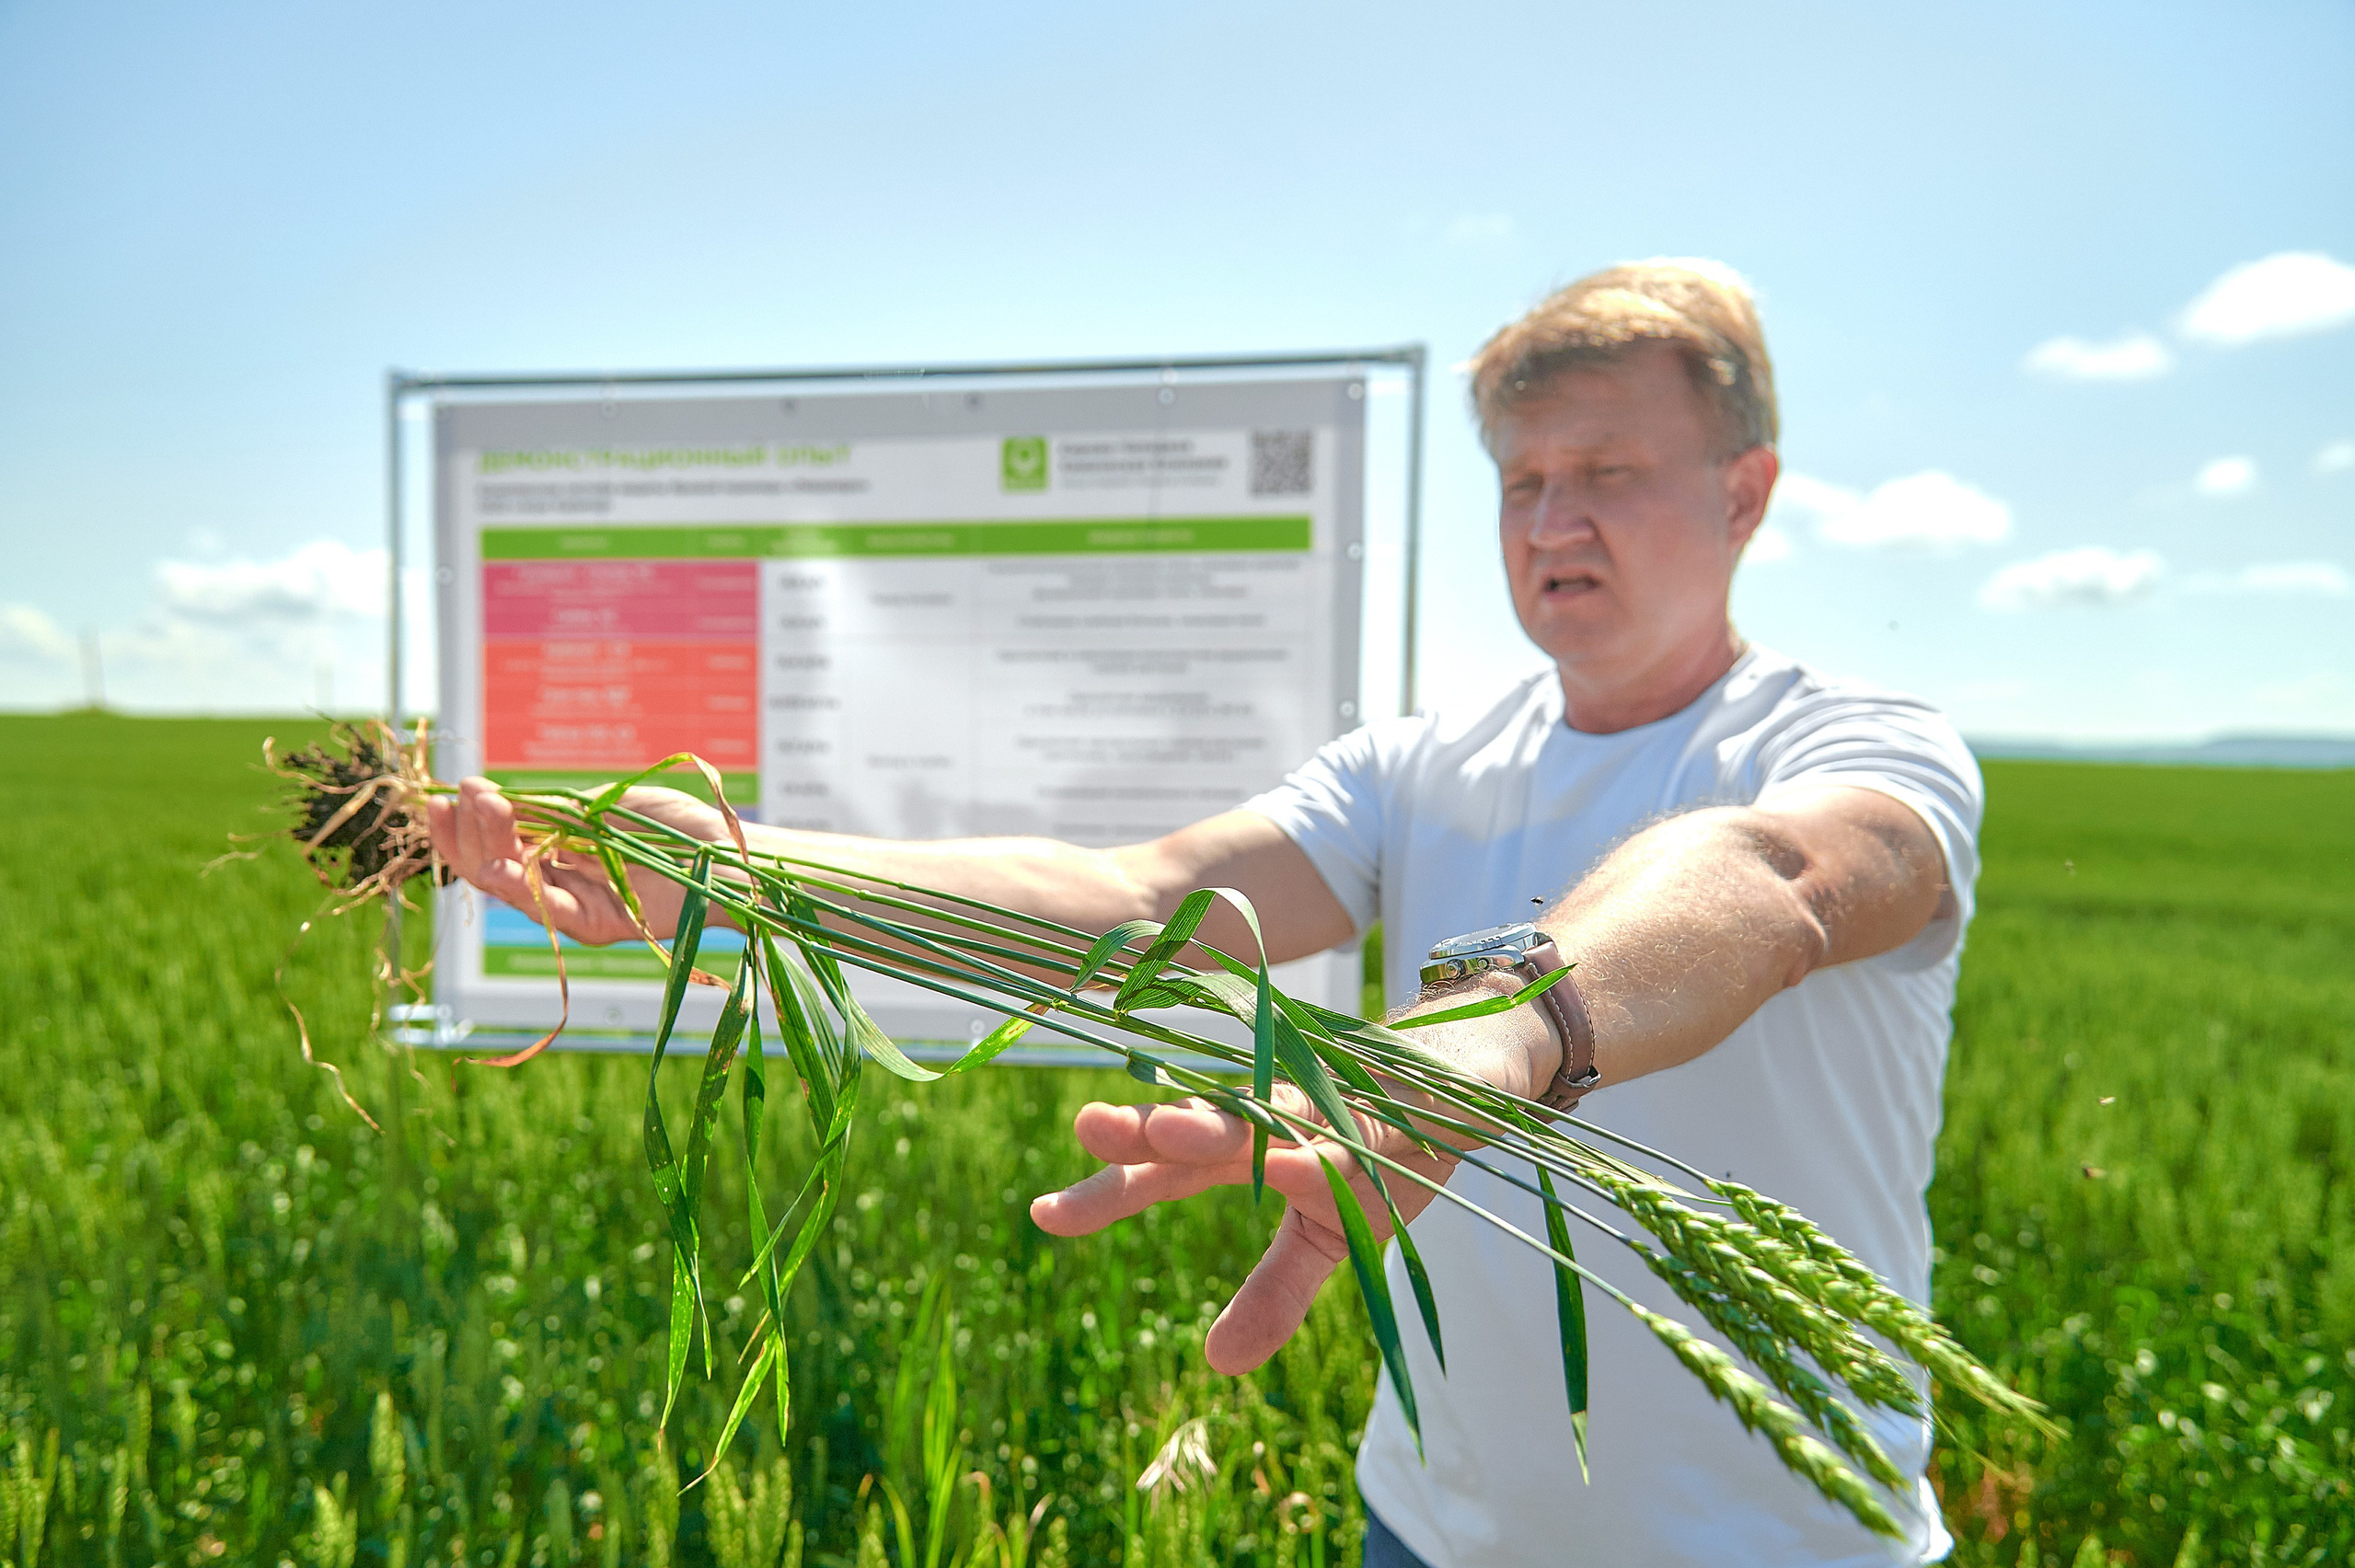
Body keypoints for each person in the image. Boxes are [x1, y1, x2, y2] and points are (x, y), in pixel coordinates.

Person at [431, 259, 1978, 1565]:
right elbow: (1141, 902)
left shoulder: (1861, 746)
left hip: (1782, 1545)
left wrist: (1506, 1036)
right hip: (1432, 1533)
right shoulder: (1423, 767)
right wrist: (743, 874)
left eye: (1610, 474)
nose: (1552, 521)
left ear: (1746, 493)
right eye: (1524, 482)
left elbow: (1779, 880)